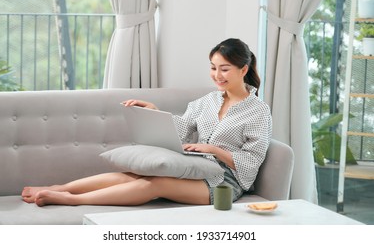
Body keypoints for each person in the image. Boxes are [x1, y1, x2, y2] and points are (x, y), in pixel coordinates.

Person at [21, 38, 272, 207]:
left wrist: (214, 149)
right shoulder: (208, 100)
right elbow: (183, 129)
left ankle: (71, 200)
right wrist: (154, 111)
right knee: (131, 174)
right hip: (196, 167)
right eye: (213, 68)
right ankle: (62, 187)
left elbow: (252, 161)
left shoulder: (258, 112)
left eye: (224, 69)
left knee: (155, 184)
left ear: (243, 69)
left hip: (226, 183)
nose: (217, 75)